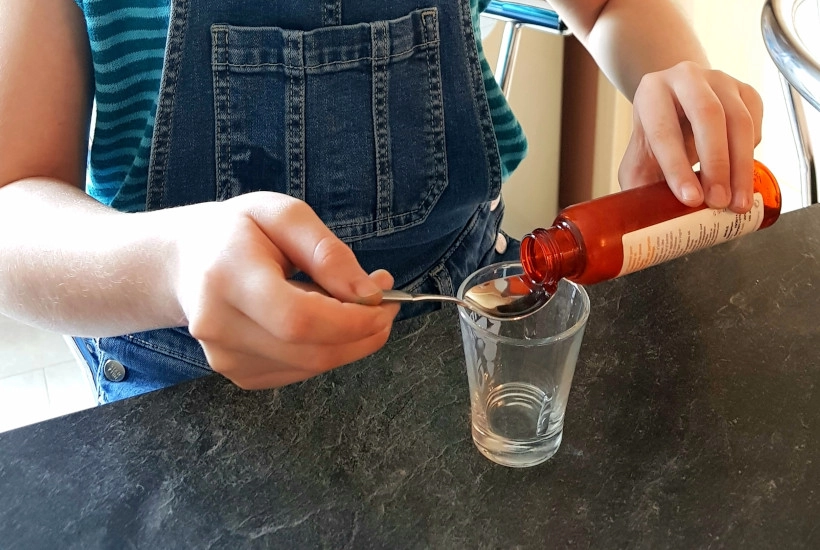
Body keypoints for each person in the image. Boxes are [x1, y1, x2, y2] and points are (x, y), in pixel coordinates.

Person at [0, 0, 762, 403]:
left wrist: (673, 72)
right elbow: (15, 202)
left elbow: (603, 6)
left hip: (453, 334)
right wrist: (172, 264)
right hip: (184, 378)